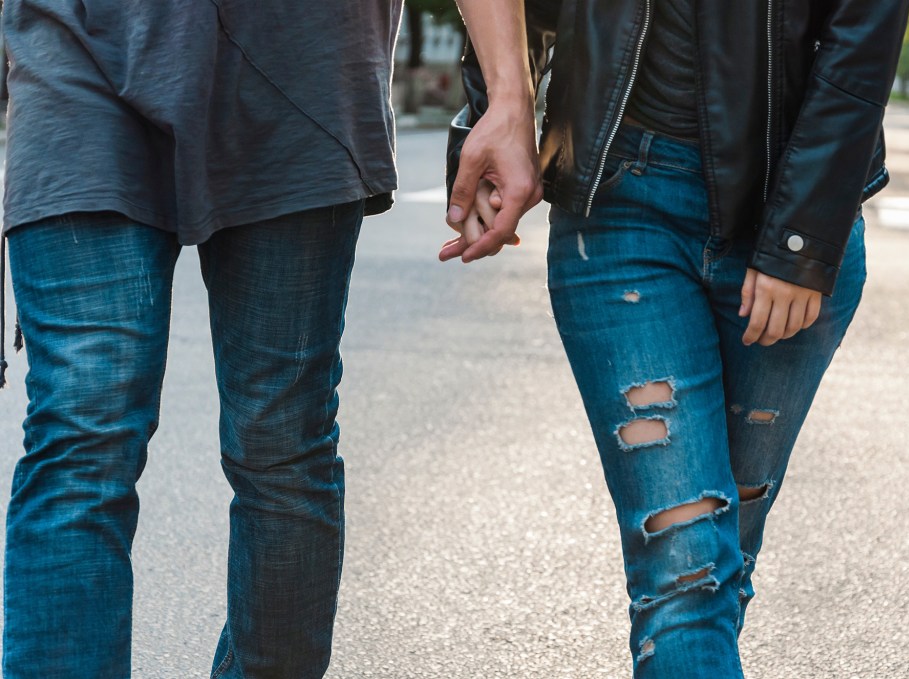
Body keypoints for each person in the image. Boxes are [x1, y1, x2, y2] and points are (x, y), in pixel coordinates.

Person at [0, 1, 538, 677]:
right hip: (76, 41)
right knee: (82, 426)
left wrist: (509, 97)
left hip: (302, 56)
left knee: (280, 442)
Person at [445, 0, 909, 676]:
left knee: (719, 560)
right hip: (621, 205)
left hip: (787, 211)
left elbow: (866, 25)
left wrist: (800, 234)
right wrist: (498, 110)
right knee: (686, 569)